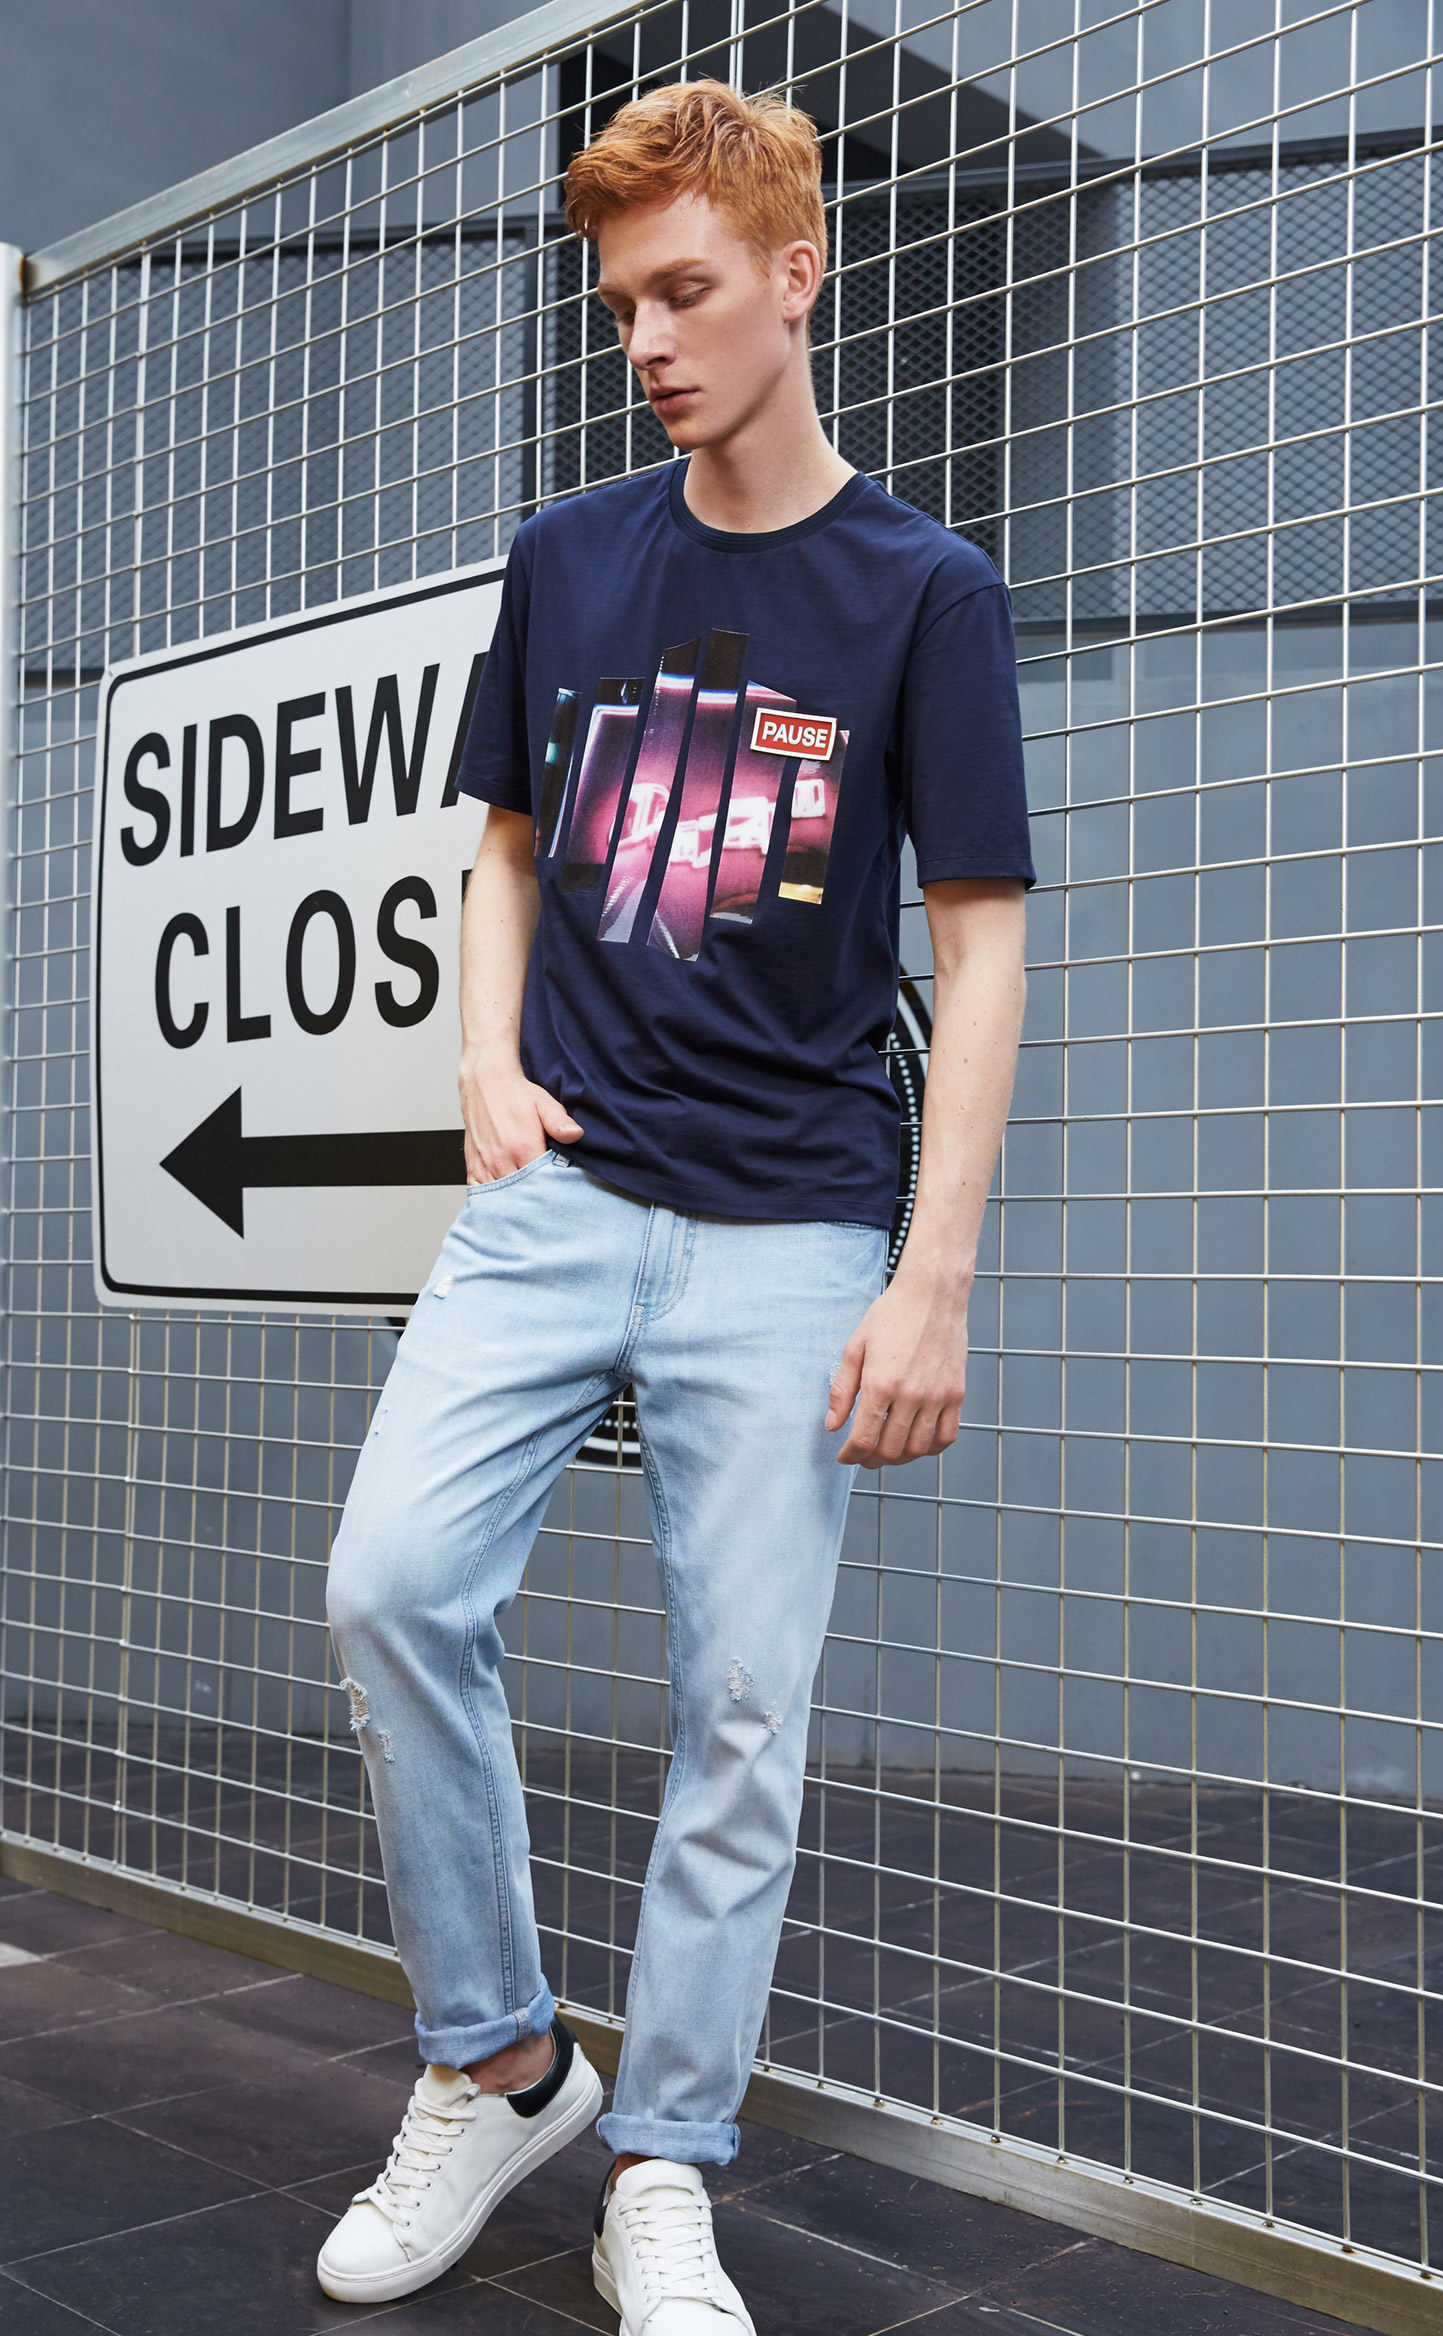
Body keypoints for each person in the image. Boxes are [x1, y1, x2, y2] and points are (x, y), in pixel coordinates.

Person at [317, 77, 1033, 2335]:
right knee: (390, 1586)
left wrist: (929, 1277)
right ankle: (502, 2061)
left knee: (739, 1712)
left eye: (688, 291)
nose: (646, 339)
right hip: (558, 1195)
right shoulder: (569, 555)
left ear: (795, 278)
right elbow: (506, 844)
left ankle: (665, 2161)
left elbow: (983, 947)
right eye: (622, 300)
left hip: (793, 1225)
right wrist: (479, 1057)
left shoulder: (924, 594)